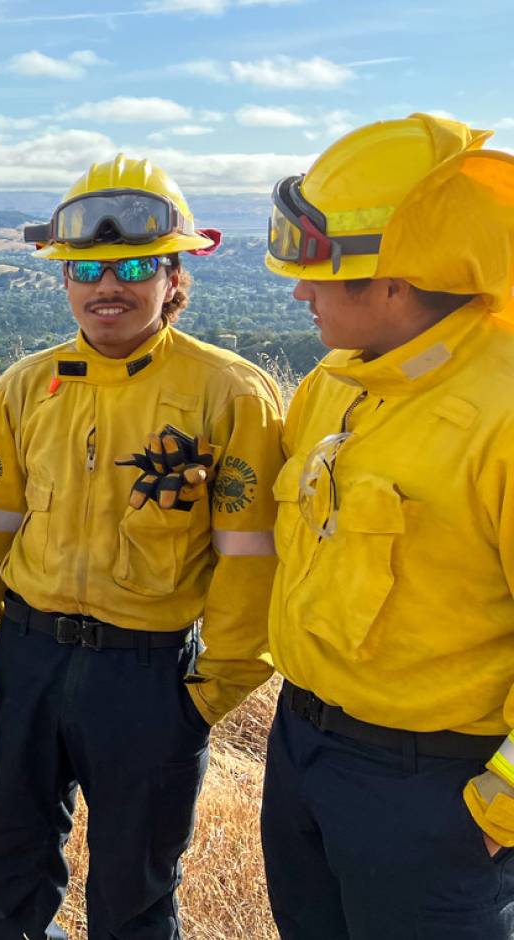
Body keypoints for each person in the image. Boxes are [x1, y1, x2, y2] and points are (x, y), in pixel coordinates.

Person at [0, 155, 283, 939]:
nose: (108, 286)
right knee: (13, 869)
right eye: (86, 268)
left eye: (133, 265)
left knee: (136, 889)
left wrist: (206, 696)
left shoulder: (229, 394)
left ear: (174, 275)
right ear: (62, 279)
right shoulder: (24, 389)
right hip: (28, 659)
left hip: (150, 672)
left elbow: (252, 560)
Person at [258, 113, 514, 939]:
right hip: (302, 746)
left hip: (435, 790)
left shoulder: (502, 415)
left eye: (319, 278)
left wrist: (496, 809)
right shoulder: (331, 385)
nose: (299, 294)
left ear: (394, 284)